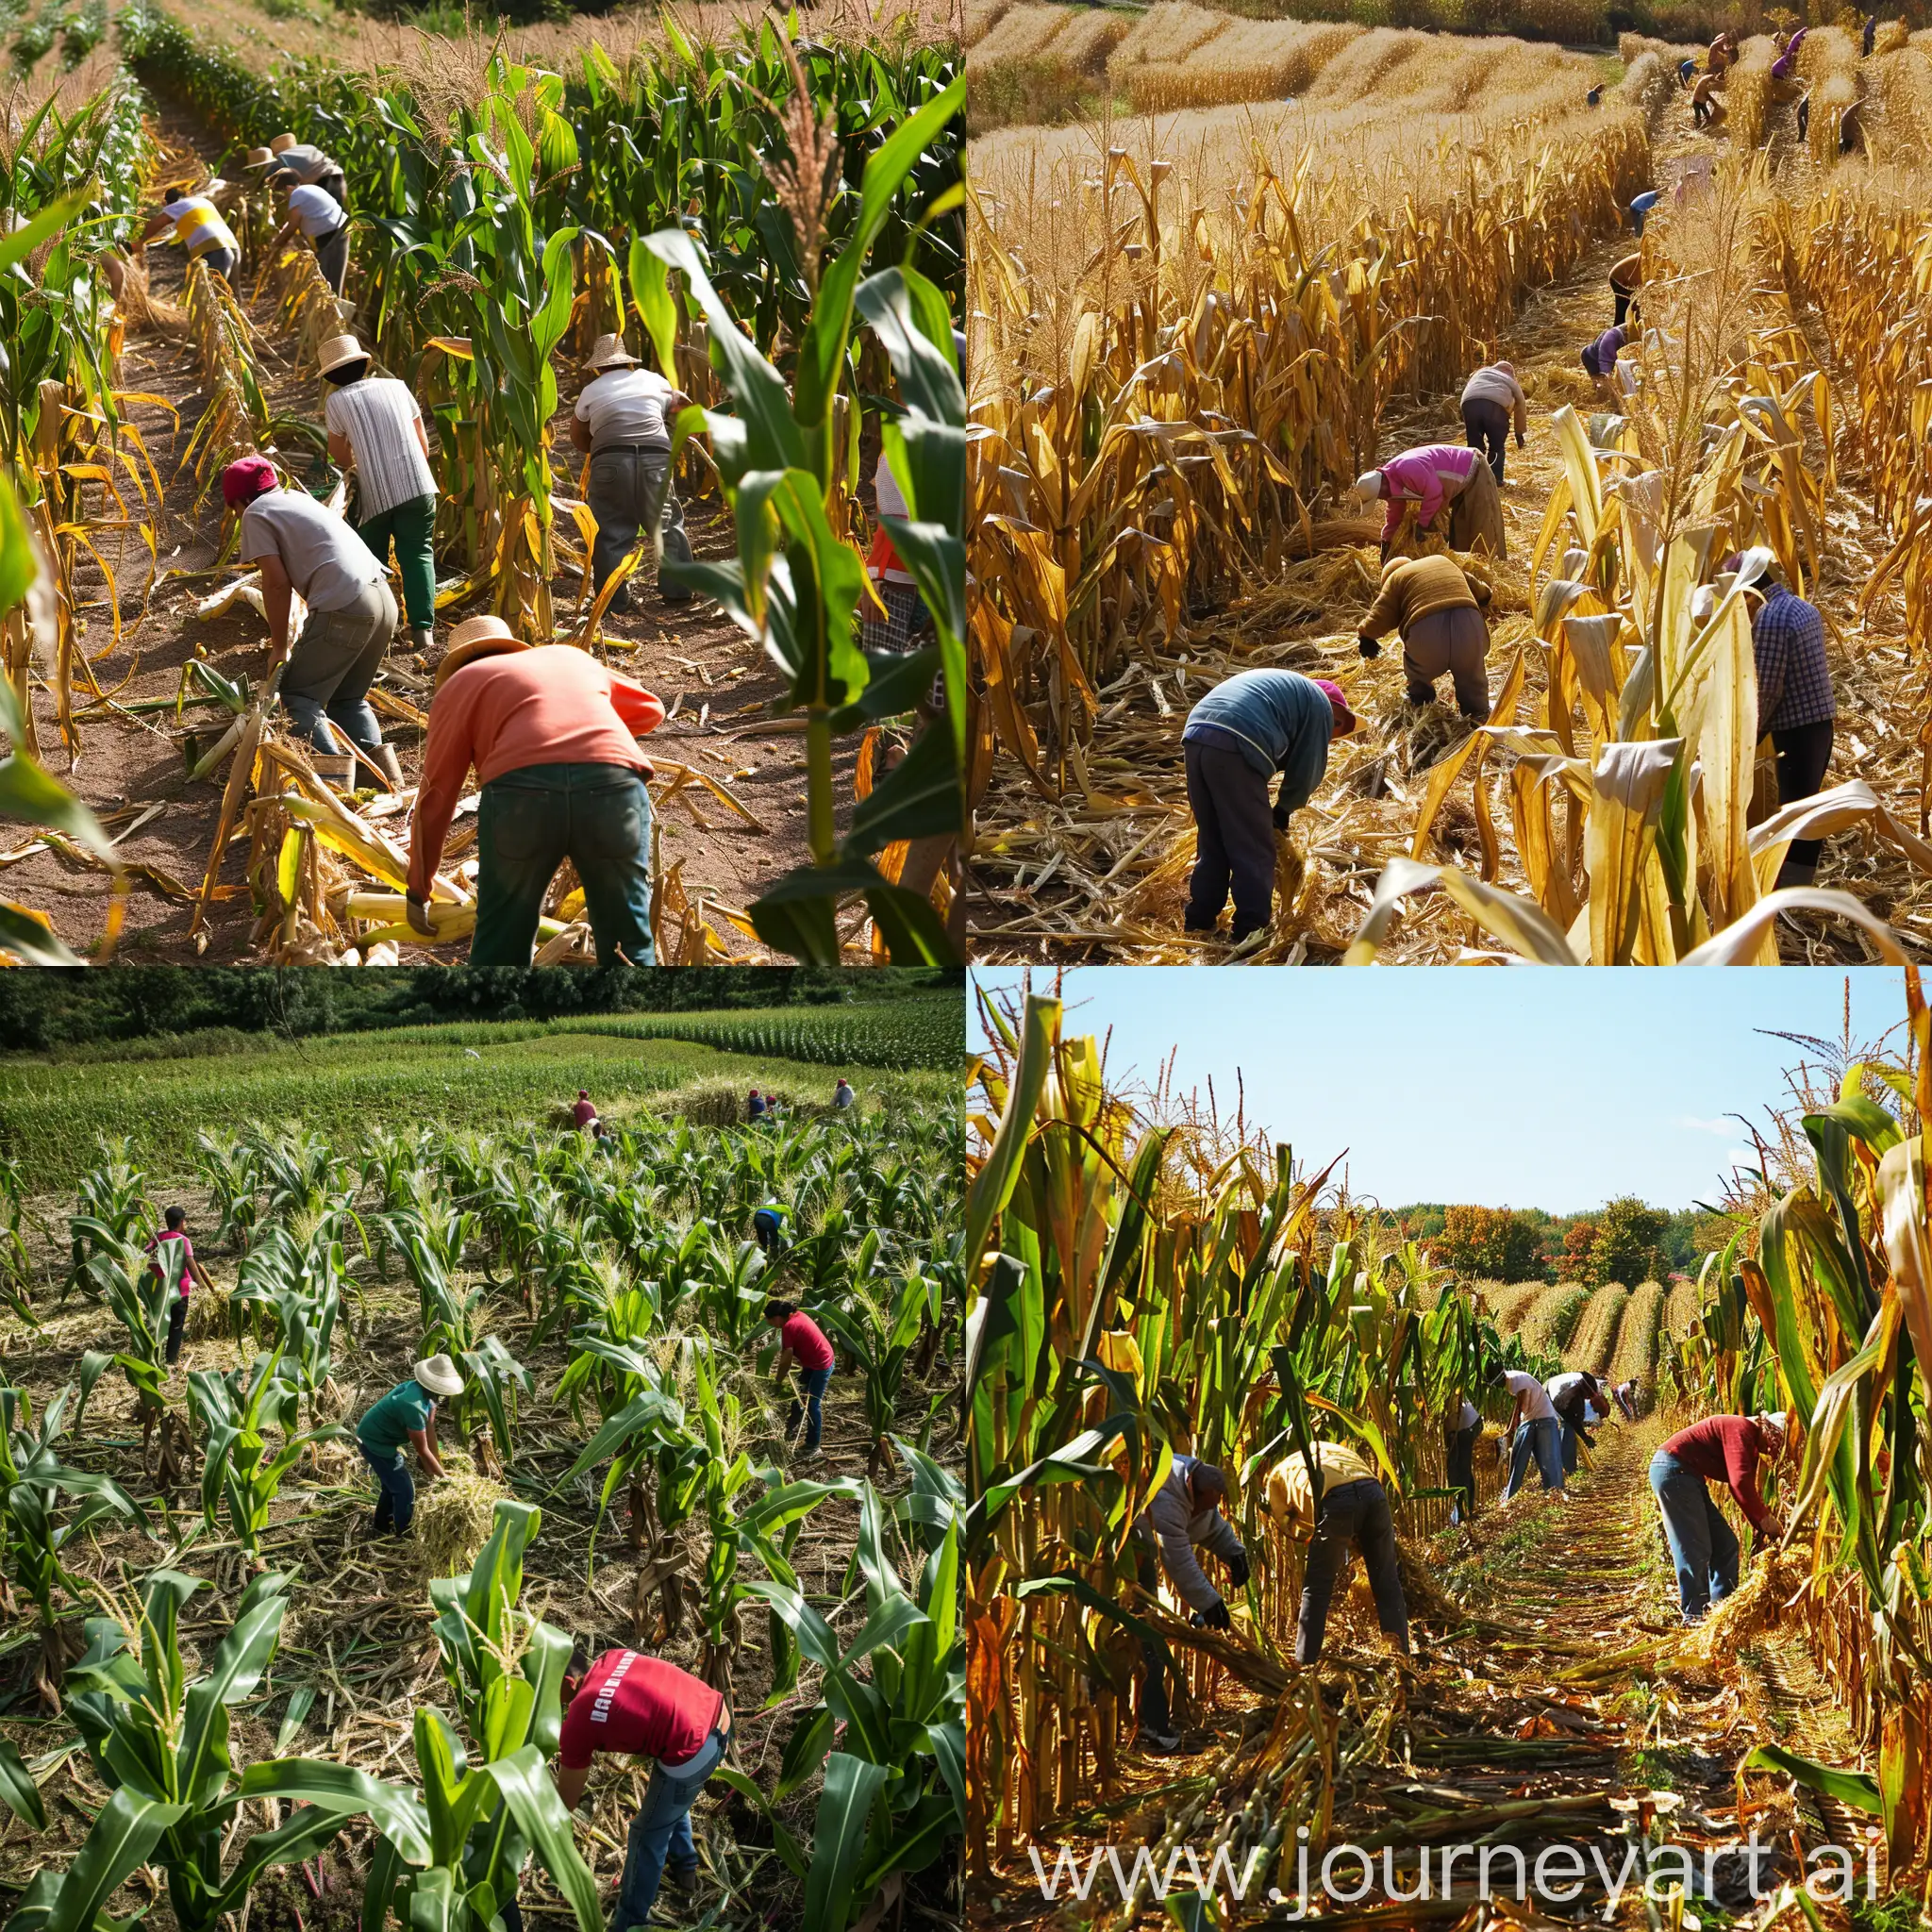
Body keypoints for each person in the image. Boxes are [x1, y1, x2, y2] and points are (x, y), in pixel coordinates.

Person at [405, 619, 665, 964]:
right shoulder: (570, 658)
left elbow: (437, 793)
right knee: (627, 938)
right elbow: (650, 709)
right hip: (613, 786)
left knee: (503, 938)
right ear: (513, 646)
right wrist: (585, 730)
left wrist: (418, 888)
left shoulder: (460, 685)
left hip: (522, 796)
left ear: (456, 663)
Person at [224, 458, 403, 787]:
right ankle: (383, 779)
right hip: (382, 598)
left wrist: (279, 647)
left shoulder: (257, 513)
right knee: (347, 698)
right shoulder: (297, 499)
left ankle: (333, 790)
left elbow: (276, 584)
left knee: (299, 696)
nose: (236, 516)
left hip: (346, 604)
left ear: (241, 500)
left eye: (233, 508)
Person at [554, 1644, 730, 1921]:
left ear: (567, 1682)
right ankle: (685, 1865)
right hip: (715, 1714)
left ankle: (630, 1923)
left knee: (646, 1834)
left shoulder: (579, 1716)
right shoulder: (612, 1657)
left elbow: (566, 1801)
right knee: (667, 1799)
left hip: (695, 1750)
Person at [1181, 672, 1356, 943]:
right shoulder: (1320, 704)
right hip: (1237, 736)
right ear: (1332, 705)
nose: (1333, 732)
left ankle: (1199, 920)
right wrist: (1285, 809)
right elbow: (1307, 770)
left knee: (1211, 837)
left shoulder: (1285, 697)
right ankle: (1251, 930)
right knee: (1254, 846)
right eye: (1339, 722)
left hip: (1197, 732)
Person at [320, 333, 440, 657]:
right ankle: (423, 632)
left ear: (330, 376)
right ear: (363, 364)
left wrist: (361, 462)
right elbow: (422, 445)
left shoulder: (336, 402)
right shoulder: (398, 386)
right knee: (418, 554)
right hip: (419, 485)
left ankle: (378, 632)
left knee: (372, 562)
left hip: (376, 495)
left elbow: (338, 456)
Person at [571, 334, 693, 613]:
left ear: (598, 367)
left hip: (610, 461)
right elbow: (683, 404)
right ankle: (678, 593)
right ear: (627, 362)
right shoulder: (654, 380)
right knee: (666, 523)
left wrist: (602, 450)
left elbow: (577, 437)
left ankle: (612, 601)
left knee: (610, 530)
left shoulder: (591, 390)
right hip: (656, 457)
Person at [1131, 1456, 1246, 1752]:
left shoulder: (1191, 1480)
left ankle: (1145, 1720)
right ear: (1190, 1489)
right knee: (1145, 1633)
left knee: (1144, 1635)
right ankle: (1152, 1727)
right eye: (1200, 1505)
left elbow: (1210, 1523)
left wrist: (1234, 1553)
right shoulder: (1167, 1499)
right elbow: (1178, 1560)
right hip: (1124, 1552)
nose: (1200, 1512)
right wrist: (1209, 1602)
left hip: (1140, 1548)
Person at [1736, 558, 1835, 889]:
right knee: (1805, 803)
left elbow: (1767, 689)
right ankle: (1798, 886)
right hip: (1819, 724)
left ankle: (1792, 894)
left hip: (1796, 731)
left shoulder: (1771, 619)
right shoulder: (1799, 606)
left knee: (1795, 810)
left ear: (1750, 590)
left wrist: (1747, 739)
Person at [1265, 1439, 1409, 1666]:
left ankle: (1305, 1662)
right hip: (1374, 1494)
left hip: (1336, 1501)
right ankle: (1401, 1656)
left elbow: (1288, 1524)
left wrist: (1313, 1540)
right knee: (1387, 1581)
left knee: (1317, 1587)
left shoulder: (1276, 1477)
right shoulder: (1326, 1449)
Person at [1650, 1411, 1790, 1623]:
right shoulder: (1742, 1428)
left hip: (1687, 1476)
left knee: (1726, 1544)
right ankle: (1694, 1616)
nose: (1774, 1449)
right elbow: (1740, 1482)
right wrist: (1764, 1520)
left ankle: (1722, 1611)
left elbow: (1747, 1484)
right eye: (1776, 1440)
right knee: (1695, 1548)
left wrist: (1759, 1519)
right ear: (1768, 1429)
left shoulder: (1748, 1439)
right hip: (1674, 1471)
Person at [1357, 553, 1493, 722]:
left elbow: (1380, 614)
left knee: (1418, 675)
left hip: (1427, 632)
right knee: (1472, 678)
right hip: (1469, 624)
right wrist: (1486, 594)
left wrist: (1366, 635)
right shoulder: (1441, 560)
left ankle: (1423, 709)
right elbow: (1476, 586)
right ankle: (1479, 718)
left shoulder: (1395, 579)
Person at [355, 1354, 463, 1539]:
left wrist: (437, 1465)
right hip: (374, 1441)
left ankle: (381, 1526)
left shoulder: (427, 1395)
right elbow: (422, 1450)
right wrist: (444, 1478)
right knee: (404, 1488)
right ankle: (403, 1533)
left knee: (391, 1486)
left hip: (382, 1438)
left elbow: (430, 1428)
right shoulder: (413, 1406)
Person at [1352, 442, 1507, 560]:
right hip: (1455, 486)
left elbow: (1434, 494)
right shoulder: (1391, 481)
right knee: (1460, 532)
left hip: (1473, 469)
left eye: (1379, 496)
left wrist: (1422, 524)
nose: (1382, 499)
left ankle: (1490, 570)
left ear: (1382, 486)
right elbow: (1394, 516)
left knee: (1482, 528)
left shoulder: (1408, 468)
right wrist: (1387, 542)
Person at [146, 1207, 215, 1367]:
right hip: (179, 1288)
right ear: (182, 1222)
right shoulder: (182, 1240)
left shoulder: (158, 1238)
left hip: (159, 1288)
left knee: (162, 1321)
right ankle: (171, 1360)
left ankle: (155, 1353)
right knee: (177, 1323)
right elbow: (190, 1262)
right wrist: (202, 1284)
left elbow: (146, 1255)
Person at [764, 1298, 832, 1456]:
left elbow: (786, 1359)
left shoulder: (788, 1326)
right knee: (799, 1392)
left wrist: (777, 1381)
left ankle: (813, 1446)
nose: (774, 1326)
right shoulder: (797, 1315)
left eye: (772, 1322)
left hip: (821, 1364)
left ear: (777, 1317)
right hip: (813, 1361)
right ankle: (793, 1423)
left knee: (813, 1404)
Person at [140, 182, 240, 285]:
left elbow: (156, 223)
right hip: (233, 247)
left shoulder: (176, 206)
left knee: (208, 296)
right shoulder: (203, 201)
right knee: (233, 296)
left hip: (215, 249)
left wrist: (140, 242)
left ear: (168, 202)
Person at [267, 173, 350, 295]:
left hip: (332, 236)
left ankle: (336, 312)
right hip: (336, 232)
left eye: (283, 194)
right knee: (331, 281)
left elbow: (292, 226)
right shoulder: (310, 189)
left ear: (289, 188)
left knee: (329, 284)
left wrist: (275, 245)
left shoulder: (297, 194)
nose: (283, 200)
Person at [1492, 1365, 1565, 1501]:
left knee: (1548, 1461)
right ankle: (1509, 1496)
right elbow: (1521, 1406)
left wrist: (1513, 1425)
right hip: (1531, 1420)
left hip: (1544, 1420)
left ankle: (1555, 1495)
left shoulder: (1515, 1379)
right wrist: (1512, 1426)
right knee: (1517, 1459)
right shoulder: (1512, 1380)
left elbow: (1522, 1399)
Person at [1458, 360, 1527, 486]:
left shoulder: (1480, 372)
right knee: (1497, 445)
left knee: (1474, 445)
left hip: (1469, 404)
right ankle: (1495, 479)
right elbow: (1521, 405)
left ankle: (1472, 479)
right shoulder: (1510, 379)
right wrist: (1519, 433)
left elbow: (1469, 390)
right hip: (1495, 407)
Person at [247, 132, 349, 214]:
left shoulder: (281, 158)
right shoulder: (307, 148)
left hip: (322, 182)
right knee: (339, 215)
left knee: (326, 218)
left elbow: (266, 183)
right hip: (338, 176)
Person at [1545, 1368, 1604, 1476]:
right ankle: (1566, 1468)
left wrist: (1583, 1434)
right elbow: (1571, 1419)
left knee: (1570, 1428)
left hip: (1558, 1395)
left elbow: (1579, 1414)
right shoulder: (1571, 1394)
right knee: (1567, 1428)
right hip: (1549, 1400)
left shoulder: (1580, 1384)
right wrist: (1585, 1437)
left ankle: (1568, 1466)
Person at [1445, 1395, 1480, 1524]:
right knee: (1462, 1471)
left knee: (1459, 1472)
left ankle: (1463, 1512)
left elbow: (1453, 1413)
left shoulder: (1447, 1389)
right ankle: (1464, 1510)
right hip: (1469, 1424)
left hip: (1464, 1429)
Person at [1581, 322, 1628, 389]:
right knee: (1602, 386)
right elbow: (1606, 369)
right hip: (1592, 359)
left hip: (1610, 358)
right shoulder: (1611, 337)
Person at [1608, 252, 1642, 328]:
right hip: (1620, 279)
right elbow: (1635, 278)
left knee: (1633, 316)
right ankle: (1615, 337)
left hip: (1627, 279)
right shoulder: (1653, 257)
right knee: (1623, 318)